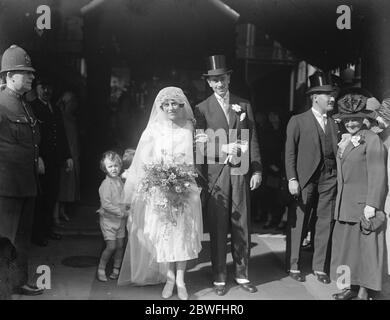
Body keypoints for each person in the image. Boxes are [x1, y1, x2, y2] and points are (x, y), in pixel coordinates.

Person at [118, 87, 203, 300]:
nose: (171, 108)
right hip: (160, 190)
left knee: (183, 235)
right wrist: (155, 180)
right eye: (167, 104)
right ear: (161, 107)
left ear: (181, 105)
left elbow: (198, 157)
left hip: (185, 189)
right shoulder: (152, 131)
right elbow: (143, 161)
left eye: (175, 103)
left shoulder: (189, 128)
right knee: (164, 236)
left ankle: (181, 280)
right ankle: (169, 278)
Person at [194, 55, 262, 296]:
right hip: (216, 174)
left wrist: (257, 168)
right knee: (219, 225)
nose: (219, 84)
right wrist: (221, 148)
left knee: (241, 222)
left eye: (222, 79)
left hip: (241, 170)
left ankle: (242, 275)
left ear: (229, 78)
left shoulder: (243, 105)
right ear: (209, 83)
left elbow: (252, 138)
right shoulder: (201, 109)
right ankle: (219, 277)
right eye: (214, 80)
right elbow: (198, 147)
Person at [330, 87, 386, 300]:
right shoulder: (345, 139)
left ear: (364, 118)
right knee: (346, 251)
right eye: (346, 120)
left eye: (355, 119)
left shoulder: (371, 139)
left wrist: (372, 203)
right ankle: (349, 288)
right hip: (345, 205)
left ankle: (363, 290)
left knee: (363, 252)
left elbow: (378, 173)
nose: (350, 123)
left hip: (362, 205)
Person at [285, 71, 338, 283]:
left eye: (332, 94)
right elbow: (289, 153)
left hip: (330, 178)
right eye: (327, 95)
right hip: (305, 179)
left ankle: (319, 267)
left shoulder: (336, 123)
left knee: (324, 222)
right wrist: (292, 179)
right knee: (299, 221)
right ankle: (294, 265)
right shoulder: (297, 121)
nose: (332, 98)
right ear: (315, 97)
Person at [0, 45, 43, 295]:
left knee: (22, 239)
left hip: (27, 183)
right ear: (9, 76)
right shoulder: (2, 104)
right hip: (7, 186)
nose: (31, 77)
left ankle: (19, 282)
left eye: (30, 73)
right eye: (25, 73)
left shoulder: (24, 104)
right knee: (5, 241)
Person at [30, 76, 73, 246]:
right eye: (43, 87)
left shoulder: (54, 108)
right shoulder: (32, 108)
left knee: (51, 196)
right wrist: (37, 157)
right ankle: (37, 234)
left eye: (49, 88)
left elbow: (61, 135)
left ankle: (47, 230)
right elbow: (32, 137)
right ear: (37, 88)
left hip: (55, 161)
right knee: (40, 199)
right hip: (41, 162)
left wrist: (68, 156)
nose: (46, 91)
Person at [96, 151, 127, 282]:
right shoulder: (106, 184)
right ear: (105, 168)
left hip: (120, 221)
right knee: (111, 246)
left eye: (116, 166)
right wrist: (121, 212)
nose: (114, 169)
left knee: (120, 245)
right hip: (109, 221)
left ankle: (116, 268)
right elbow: (106, 204)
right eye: (110, 166)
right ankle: (101, 268)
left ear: (120, 166)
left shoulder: (119, 180)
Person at [55, 90, 81, 226]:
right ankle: (56, 214)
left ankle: (62, 210)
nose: (74, 105)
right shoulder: (61, 117)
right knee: (62, 185)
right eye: (71, 102)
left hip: (74, 154)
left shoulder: (72, 118)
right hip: (66, 156)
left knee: (69, 185)